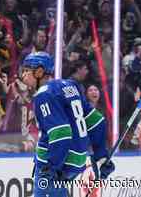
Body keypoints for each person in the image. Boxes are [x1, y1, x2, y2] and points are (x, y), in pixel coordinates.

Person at [21, 52, 115, 197]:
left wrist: (52, 167)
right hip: (77, 160)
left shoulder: (44, 94)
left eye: (26, 70)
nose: (23, 76)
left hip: (55, 162)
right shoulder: (70, 86)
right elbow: (96, 121)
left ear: (39, 72)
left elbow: (61, 133)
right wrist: (101, 156)